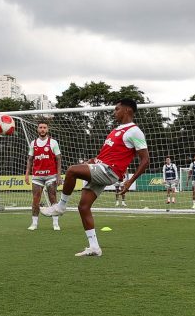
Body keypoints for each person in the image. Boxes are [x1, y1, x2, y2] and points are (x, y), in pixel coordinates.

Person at [41, 98, 149, 257]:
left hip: (109, 171)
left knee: (71, 171)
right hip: (102, 167)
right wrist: (91, 162)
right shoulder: (115, 131)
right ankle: (94, 247)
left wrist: (130, 181)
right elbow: (105, 156)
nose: (114, 112)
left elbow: (145, 160)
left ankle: (60, 206)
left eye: (117, 109)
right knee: (83, 207)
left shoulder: (134, 131)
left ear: (128, 110)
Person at [24, 121, 62, 231]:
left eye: (44, 127)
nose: (42, 129)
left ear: (47, 129)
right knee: (35, 200)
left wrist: (59, 175)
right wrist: (27, 174)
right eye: (40, 127)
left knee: (52, 198)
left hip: (51, 175)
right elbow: (30, 159)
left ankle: (55, 223)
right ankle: (34, 223)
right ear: (37, 129)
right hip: (37, 176)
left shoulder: (53, 142)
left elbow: (58, 158)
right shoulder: (33, 143)